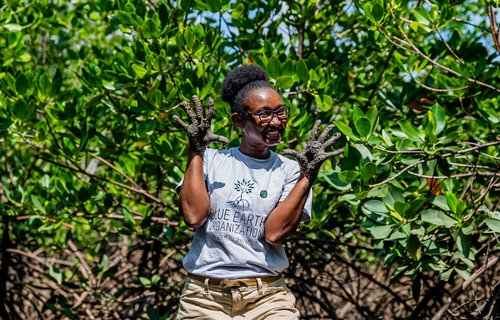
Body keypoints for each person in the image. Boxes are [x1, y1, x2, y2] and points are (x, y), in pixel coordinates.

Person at [173, 64, 343, 319]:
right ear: (238, 121)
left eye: (280, 112)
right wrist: (195, 150)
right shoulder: (211, 160)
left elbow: (275, 234)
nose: (275, 121)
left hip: (267, 297)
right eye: (264, 114)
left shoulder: (291, 170)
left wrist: (308, 176)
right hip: (204, 297)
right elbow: (194, 216)